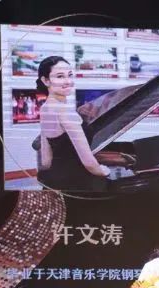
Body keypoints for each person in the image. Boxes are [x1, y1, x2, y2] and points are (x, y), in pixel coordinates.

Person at [34, 56, 111, 192]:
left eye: (70, 75)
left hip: (53, 182)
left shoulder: (45, 109)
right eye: (60, 76)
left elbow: (46, 160)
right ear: (46, 80)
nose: (68, 81)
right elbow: (89, 163)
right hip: (76, 183)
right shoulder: (65, 112)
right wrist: (103, 171)